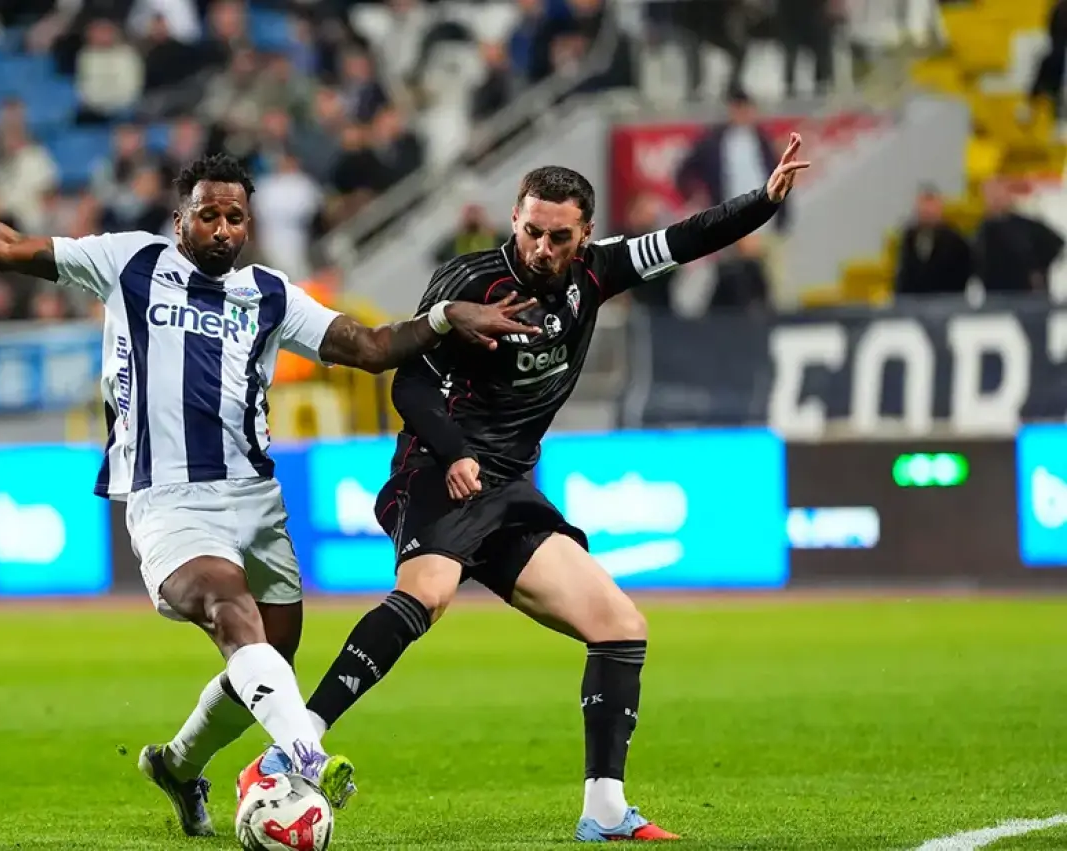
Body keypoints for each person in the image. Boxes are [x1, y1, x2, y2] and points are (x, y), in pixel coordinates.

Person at [0, 151, 541, 837]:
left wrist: (444, 318)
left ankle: (176, 766)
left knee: (268, 658)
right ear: (181, 220)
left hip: (256, 501)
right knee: (233, 614)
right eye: (208, 216)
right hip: (167, 498)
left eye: (235, 218)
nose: (222, 230)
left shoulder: (269, 293)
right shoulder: (129, 263)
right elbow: (6, 246)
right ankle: (307, 756)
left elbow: (372, 346)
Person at [239, 135, 811, 842]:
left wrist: (763, 201)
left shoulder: (597, 273)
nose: (541, 248)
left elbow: (686, 238)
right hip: (435, 467)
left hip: (507, 485)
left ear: (585, 234)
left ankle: (605, 809)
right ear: (515, 218)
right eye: (532, 231)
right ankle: (291, 746)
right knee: (429, 593)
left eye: (558, 237)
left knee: (620, 625)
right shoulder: (469, 282)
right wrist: (453, 453)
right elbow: (410, 384)